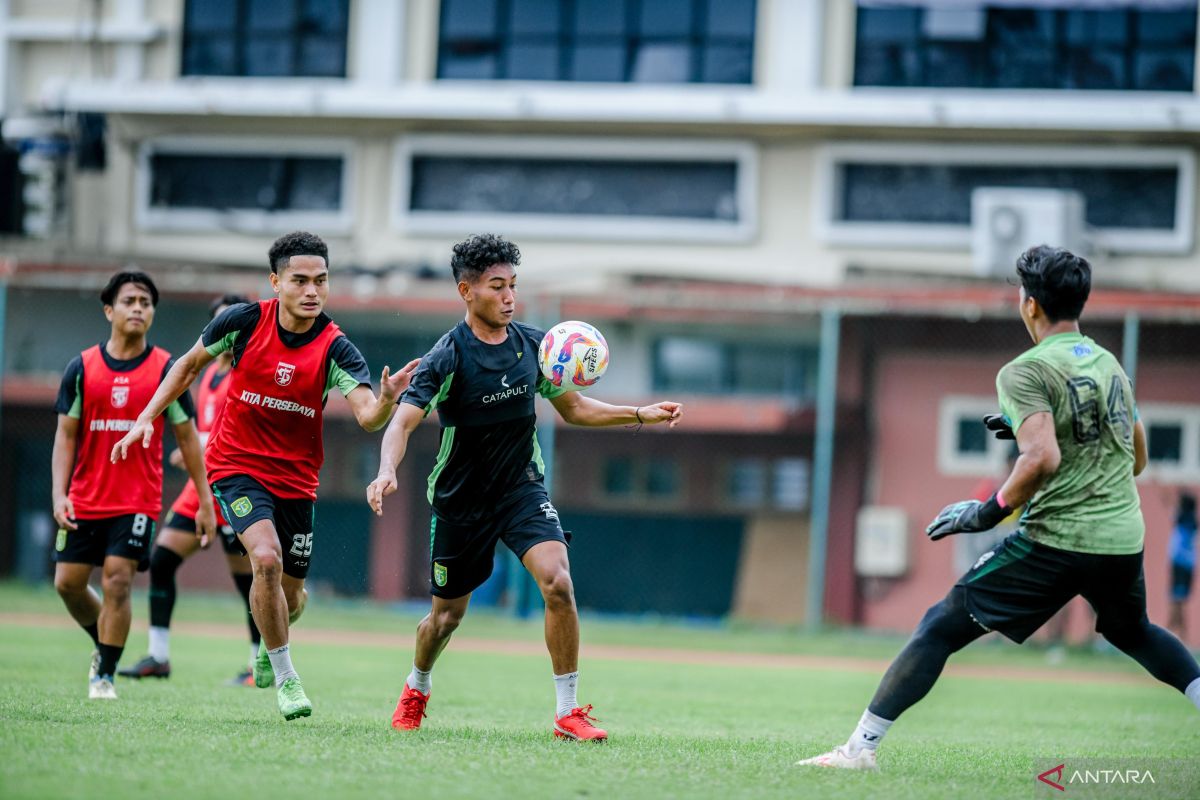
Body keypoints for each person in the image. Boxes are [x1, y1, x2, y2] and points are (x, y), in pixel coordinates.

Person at [798, 245, 1200, 770]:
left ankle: (859, 750)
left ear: (1030, 304)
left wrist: (985, 512)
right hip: (1122, 537)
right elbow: (1136, 459)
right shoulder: (1109, 366)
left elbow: (1042, 456)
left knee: (939, 626)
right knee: (1134, 631)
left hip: (1058, 538)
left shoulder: (1024, 371)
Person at [366, 233, 683, 740]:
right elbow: (401, 422)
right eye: (497, 286)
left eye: (514, 285)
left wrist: (639, 413)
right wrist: (386, 471)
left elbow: (575, 408)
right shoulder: (446, 356)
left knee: (557, 582)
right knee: (445, 619)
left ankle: (567, 712)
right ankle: (417, 686)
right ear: (466, 292)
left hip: (521, 489)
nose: (510, 296)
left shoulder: (536, 346)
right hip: (460, 500)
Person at [113, 231, 417, 721]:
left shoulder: (337, 347)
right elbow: (187, 366)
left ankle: (267, 641)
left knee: (291, 599)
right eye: (300, 280)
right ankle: (288, 679)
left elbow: (367, 417)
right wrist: (145, 418)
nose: (312, 290)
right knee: (266, 559)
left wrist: (385, 398)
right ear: (276, 281)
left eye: (321, 281)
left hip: (297, 481)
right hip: (235, 466)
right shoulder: (243, 321)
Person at [52, 271, 214, 700]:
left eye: (145, 301)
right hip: (84, 497)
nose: (138, 308)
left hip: (136, 501)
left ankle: (103, 673)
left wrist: (205, 501)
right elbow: (65, 436)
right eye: (129, 301)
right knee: (67, 583)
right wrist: (58, 492)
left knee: (118, 581)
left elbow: (189, 441)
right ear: (109, 310)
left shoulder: (167, 370)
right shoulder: (82, 368)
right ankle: (105, 639)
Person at [120, 293, 262, 686]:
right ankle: (158, 656)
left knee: (248, 579)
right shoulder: (211, 373)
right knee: (162, 561)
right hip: (203, 483)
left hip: (234, 483)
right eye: (219, 323)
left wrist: (201, 447)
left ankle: (256, 665)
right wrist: (195, 448)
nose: (226, 332)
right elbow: (206, 428)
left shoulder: (247, 371)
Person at [1168, 491, 1197, 639]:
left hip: (1179, 564)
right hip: (1189, 564)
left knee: (1176, 600)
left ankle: (1177, 634)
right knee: (1179, 599)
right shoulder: (1193, 520)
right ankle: (1175, 632)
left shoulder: (1181, 517)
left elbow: (1167, 503)